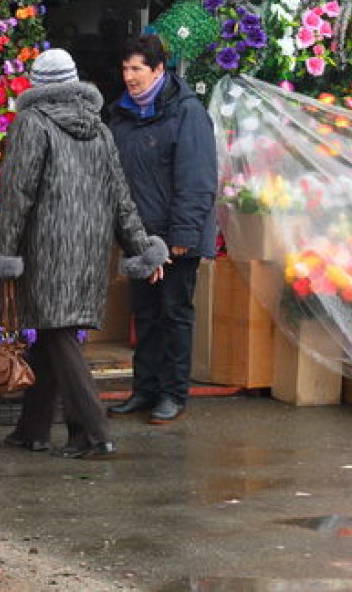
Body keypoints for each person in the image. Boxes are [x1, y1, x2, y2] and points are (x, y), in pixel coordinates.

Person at [0, 48, 168, 459]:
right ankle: (33, 429)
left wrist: (2, 254)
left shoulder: (33, 122)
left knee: (59, 335)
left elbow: (17, 194)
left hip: (48, 246)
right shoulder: (99, 128)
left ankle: (95, 434)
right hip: (90, 249)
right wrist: (141, 248)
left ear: (39, 86)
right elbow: (121, 197)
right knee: (51, 334)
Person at [104, 34, 218, 425]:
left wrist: (182, 238)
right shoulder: (119, 114)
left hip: (175, 238)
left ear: (157, 70)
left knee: (174, 314)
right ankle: (145, 389)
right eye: (125, 68)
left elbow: (197, 179)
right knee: (145, 316)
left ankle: (173, 393)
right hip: (139, 237)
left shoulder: (186, 112)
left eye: (137, 68)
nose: (129, 76)